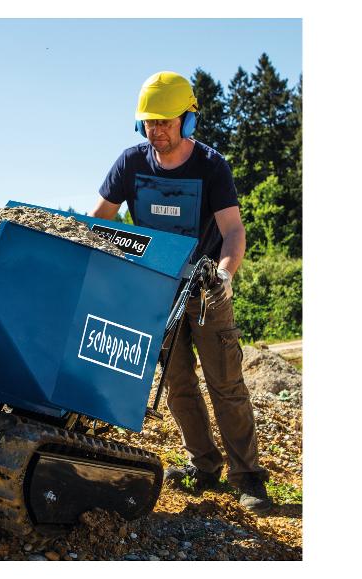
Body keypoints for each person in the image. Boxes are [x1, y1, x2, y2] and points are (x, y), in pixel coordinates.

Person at [88, 71, 272, 514]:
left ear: (188, 120)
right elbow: (100, 222)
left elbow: (233, 232)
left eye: (165, 121)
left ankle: (248, 477)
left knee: (225, 382)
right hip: (157, 291)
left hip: (206, 290)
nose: (156, 130)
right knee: (177, 383)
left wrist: (225, 277)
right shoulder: (131, 163)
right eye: (149, 122)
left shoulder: (210, 165)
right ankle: (203, 465)